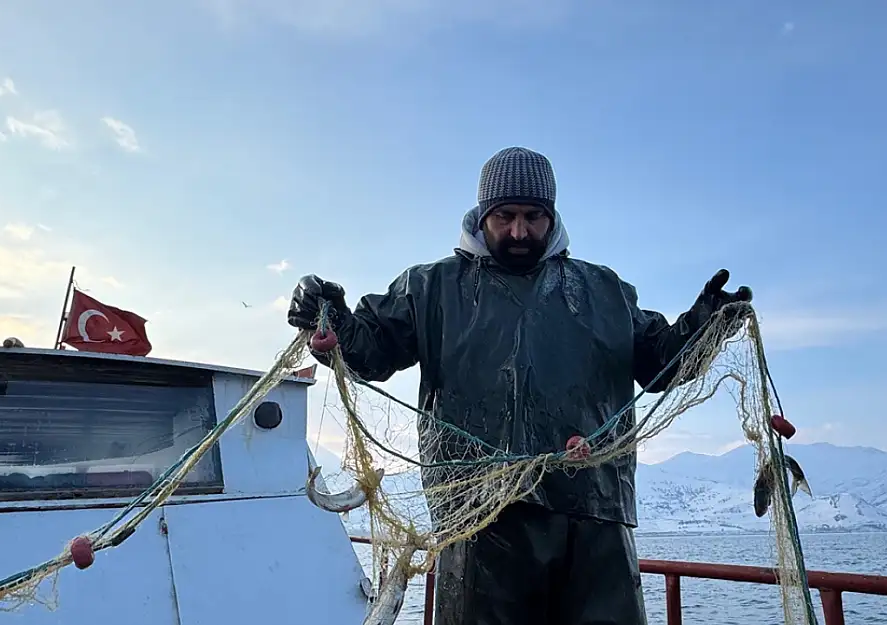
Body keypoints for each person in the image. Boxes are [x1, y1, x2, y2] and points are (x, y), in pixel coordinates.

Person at [287, 146, 752, 625]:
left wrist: (702, 327)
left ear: (552, 217)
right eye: (504, 216)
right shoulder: (431, 288)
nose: (518, 231)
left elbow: (663, 361)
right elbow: (371, 348)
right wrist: (333, 318)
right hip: (477, 518)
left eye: (533, 216)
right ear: (481, 214)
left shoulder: (604, 290)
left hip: (593, 513)